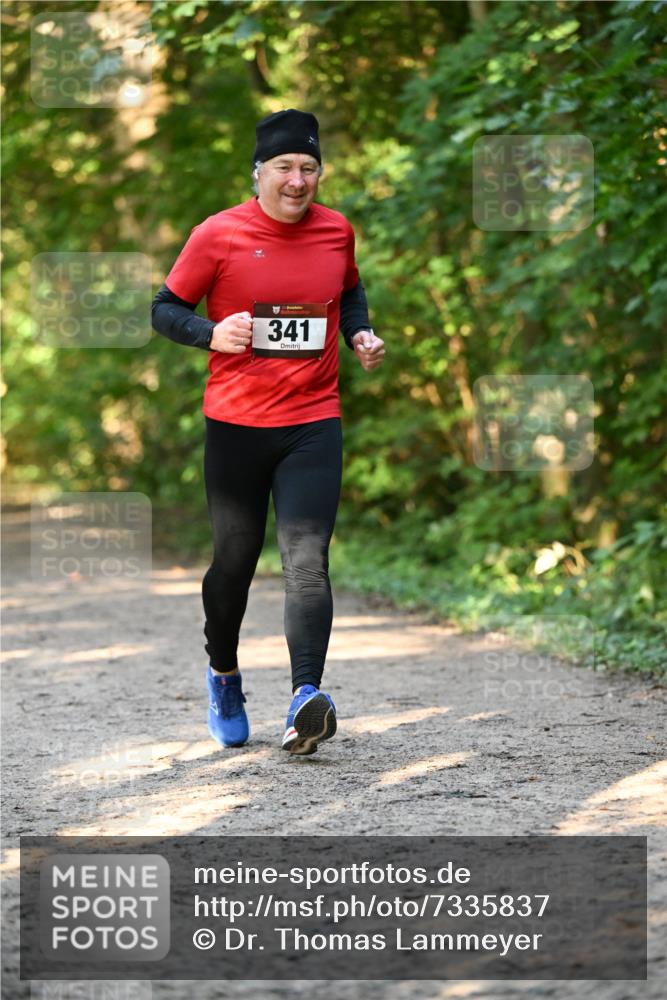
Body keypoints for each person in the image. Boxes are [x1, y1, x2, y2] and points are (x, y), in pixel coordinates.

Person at [151, 109, 385, 755]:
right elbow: (164, 310)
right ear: (259, 172)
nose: (297, 180)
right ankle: (223, 675)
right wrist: (210, 333)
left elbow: (349, 292)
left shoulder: (336, 231)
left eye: (309, 167)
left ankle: (305, 696)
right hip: (237, 423)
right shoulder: (218, 234)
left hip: (313, 420)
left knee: (307, 558)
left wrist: (359, 333)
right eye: (284, 167)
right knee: (234, 563)